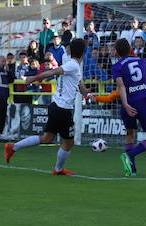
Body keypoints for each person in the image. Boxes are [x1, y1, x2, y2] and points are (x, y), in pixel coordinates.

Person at [5, 39, 90, 176]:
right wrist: (33, 78)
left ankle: (13, 147)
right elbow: (52, 72)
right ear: (83, 53)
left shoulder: (67, 59)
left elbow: (79, 83)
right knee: (68, 141)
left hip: (56, 105)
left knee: (47, 138)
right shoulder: (73, 65)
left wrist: (87, 94)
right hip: (63, 109)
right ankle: (58, 169)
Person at [105, 38, 146, 178]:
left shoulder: (116, 66)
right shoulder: (142, 61)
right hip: (142, 101)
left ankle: (132, 170)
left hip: (128, 103)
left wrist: (126, 104)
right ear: (130, 49)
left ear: (116, 52)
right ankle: (129, 155)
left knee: (130, 134)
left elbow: (121, 86)